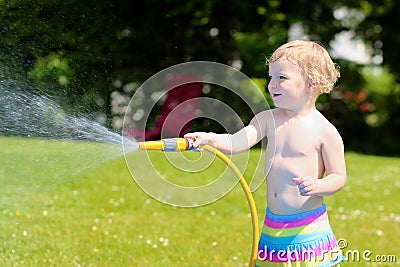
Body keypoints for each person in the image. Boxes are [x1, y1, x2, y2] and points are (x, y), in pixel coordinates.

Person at [184, 40, 346, 266]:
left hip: (307, 226)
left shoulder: (324, 131)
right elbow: (237, 141)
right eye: (272, 77)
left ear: (312, 83)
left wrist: (319, 186)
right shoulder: (268, 119)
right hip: (274, 224)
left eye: (282, 77)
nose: (272, 84)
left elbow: (339, 176)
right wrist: (210, 138)